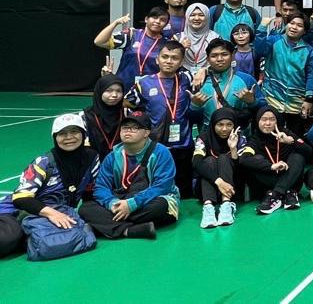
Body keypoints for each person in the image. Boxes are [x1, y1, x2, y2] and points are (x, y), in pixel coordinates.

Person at [0, 114, 99, 258]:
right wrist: (52, 213)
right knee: (7, 239)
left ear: (83, 134)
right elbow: (21, 198)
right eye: (62, 134)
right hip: (15, 212)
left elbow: (90, 190)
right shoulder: (44, 162)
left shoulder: (92, 158)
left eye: (74, 132)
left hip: (56, 212)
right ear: (55, 137)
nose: (69, 137)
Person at [79, 111, 179, 240]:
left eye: (135, 128)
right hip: (122, 198)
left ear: (146, 133)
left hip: (152, 198)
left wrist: (132, 204)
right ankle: (130, 230)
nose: (128, 131)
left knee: (159, 206)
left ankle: (105, 224)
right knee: (85, 208)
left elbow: (162, 186)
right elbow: (101, 187)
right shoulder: (113, 156)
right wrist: (112, 203)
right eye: (125, 127)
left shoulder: (161, 152)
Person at [126, 40, 195, 198]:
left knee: (184, 194)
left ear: (181, 62)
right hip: (156, 145)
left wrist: (203, 71)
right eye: (165, 57)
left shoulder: (187, 79)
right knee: (157, 189)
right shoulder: (144, 83)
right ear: (157, 59)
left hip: (183, 145)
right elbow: (126, 102)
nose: (169, 61)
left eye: (174, 58)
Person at [254, 12, 313, 135]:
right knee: (270, 137)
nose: (294, 27)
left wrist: (309, 98)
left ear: (304, 31)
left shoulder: (308, 50)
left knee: (293, 139)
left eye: (299, 25)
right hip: (272, 99)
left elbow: (311, 75)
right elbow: (259, 50)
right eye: (291, 23)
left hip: (296, 103)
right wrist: (262, 28)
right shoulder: (274, 41)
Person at [242, 107, 311, 215]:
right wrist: (271, 166)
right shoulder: (254, 140)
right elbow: (244, 159)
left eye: (272, 119)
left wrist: (291, 142)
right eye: (264, 119)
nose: (268, 123)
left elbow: (309, 152)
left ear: (277, 121)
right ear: (258, 121)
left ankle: (275, 195)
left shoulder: (285, 133)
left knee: (298, 157)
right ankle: (287, 193)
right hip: (268, 181)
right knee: (255, 160)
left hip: (289, 178)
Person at [192, 108, 251, 228]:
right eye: (220, 125)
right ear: (213, 125)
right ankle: (208, 207)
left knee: (224, 158)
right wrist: (219, 182)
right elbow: (196, 162)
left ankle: (226, 205)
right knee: (209, 160)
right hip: (209, 188)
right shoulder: (203, 138)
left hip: (232, 188)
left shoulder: (240, 139)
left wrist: (233, 149)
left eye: (229, 125)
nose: (224, 129)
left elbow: (242, 169)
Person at [190, 38, 259, 132]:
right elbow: (190, 119)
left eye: (224, 54)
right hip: (208, 138)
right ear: (208, 59)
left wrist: (252, 102)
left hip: (239, 136)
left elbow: (262, 111)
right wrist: (195, 106)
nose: (219, 59)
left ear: (232, 56)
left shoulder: (246, 79)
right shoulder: (199, 81)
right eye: (214, 56)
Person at [93, 8, 170, 90]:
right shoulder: (131, 35)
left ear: (166, 24)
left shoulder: (167, 44)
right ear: (146, 19)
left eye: (162, 20)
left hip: (151, 89)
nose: (158, 21)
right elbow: (99, 42)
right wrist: (116, 23)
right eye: (154, 17)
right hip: (124, 86)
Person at [83, 74, 126, 159]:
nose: (114, 95)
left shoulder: (126, 113)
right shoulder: (86, 116)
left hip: (121, 162)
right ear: (99, 91)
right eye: (108, 91)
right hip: (94, 163)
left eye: (118, 91)